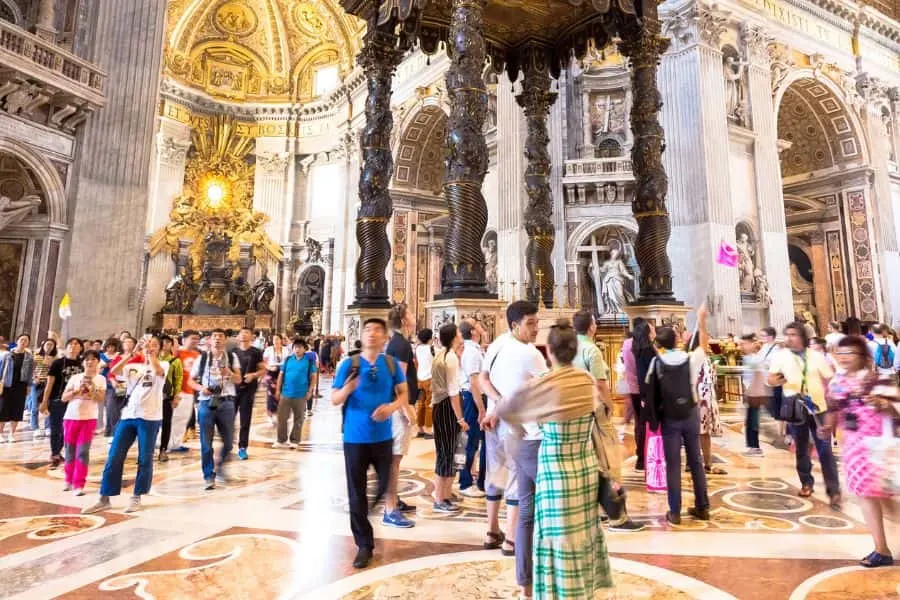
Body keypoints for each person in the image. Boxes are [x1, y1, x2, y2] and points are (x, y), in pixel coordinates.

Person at [495, 319, 614, 599]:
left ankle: (555, 592)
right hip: (584, 470)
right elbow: (602, 418)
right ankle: (582, 591)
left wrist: (519, 428)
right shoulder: (586, 381)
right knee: (582, 534)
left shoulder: (546, 384)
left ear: (548, 351)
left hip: (555, 472)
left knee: (555, 538)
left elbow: (505, 408)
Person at [480, 301, 548, 587]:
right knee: (515, 483)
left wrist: (495, 405)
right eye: (531, 323)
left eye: (537, 322)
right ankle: (509, 538)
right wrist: (504, 406)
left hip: (494, 420)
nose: (536, 328)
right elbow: (545, 393)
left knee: (496, 475)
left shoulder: (497, 342)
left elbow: (483, 379)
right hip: (516, 428)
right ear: (514, 325)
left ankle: (490, 531)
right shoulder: (532, 355)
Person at [331, 318, 408, 568]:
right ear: (361, 336)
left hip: (382, 437)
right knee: (356, 493)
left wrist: (392, 407)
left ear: (385, 337)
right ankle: (364, 544)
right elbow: (334, 398)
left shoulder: (391, 363)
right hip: (355, 438)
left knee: (386, 483)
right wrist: (349, 388)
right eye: (367, 330)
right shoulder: (349, 364)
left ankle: (370, 510)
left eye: (377, 330)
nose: (372, 334)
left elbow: (404, 393)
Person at [826, 335, 898, 568]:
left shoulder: (878, 379)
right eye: (841, 353)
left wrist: (886, 405)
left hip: (880, 447)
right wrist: (828, 427)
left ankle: (883, 548)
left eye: (850, 354)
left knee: (882, 498)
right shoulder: (837, 383)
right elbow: (835, 410)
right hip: (855, 448)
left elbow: (897, 406)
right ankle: (881, 549)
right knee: (869, 496)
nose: (845, 358)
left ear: (863, 356)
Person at [572, 310, 644, 532]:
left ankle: (595, 510)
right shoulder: (591, 349)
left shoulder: (571, 347)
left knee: (590, 462)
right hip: (595, 411)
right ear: (592, 326)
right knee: (610, 462)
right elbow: (601, 384)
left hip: (577, 412)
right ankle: (617, 515)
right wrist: (610, 405)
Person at [83, 334, 169, 514]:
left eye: (154, 345)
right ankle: (104, 497)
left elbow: (159, 372)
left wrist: (151, 355)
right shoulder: (132, 366)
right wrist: (132, 354)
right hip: (129, 415)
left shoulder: (163, 365)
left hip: (150, 417)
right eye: (147, 345)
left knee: (145, 458)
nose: (149, 347)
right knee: (114, 455)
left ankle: (137, 496)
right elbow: (113, 371)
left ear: (159, 349)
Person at [768, 321, 841, 509]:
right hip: (796, 406)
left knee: (825, 450)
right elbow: (771, 379)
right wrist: (782, 379)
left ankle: (834, 491)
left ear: (802, 336)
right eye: (788, 334)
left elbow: (830, 377)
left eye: (793, 334)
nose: (790, 338)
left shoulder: (815, 356)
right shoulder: (781, 356)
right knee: (801, 447)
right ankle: (806, 482)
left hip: (818, 406)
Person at [644, 325, 710, 525]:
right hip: (690, 412)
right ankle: (702, 506)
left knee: (672, 464)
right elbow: (705, 347)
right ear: (676, 340)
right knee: (696, 460)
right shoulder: (689, 358)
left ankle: (675, 511)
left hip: (669, 417)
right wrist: (701, 319)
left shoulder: (656, 362)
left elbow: (649, 389)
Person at [189, 328, 241, 490]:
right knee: (206, 443)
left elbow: (238, 379)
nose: (217, 339)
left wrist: (229, 373)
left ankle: (220, 466)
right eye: (214, 337)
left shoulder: (232, 357)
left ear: (225, 340)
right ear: (210, 340)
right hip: (207, 401)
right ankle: (208, 476)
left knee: (229, 442)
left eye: (220, 336)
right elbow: (191, 381)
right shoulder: (202, 358)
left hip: (226, 402)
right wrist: (201, 388)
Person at [384, 304, 418, 516]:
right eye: (412, 313)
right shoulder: (402, 344)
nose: (415, 317)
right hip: (398, 408)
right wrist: (407, 410)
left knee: (396, 458)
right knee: (394, 460)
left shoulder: (397, 342)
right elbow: (399, 381)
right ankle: (390, 509)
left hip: (396, 406)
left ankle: (394, 499)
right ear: (405, 320)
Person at [430, 323, 468, 513]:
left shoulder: (440, 354)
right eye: (459, 333)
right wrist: (460, 418)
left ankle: (445, 493)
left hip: (439, 404)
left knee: (447, 451)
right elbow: (453, 391)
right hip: (447, 406)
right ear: (454, 337)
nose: (461, 336)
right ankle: (440, 498)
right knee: (446, 452)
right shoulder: (450, 357)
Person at [684, 306, 726, 475]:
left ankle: (697, 462)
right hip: (699, 398)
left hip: (705, 398)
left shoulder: (702, 358)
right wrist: (701, 320)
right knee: (701, 433)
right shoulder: (695, 357)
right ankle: (704, 463)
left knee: (700, 433)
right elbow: (703, 339)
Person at [61, 350, 106, 495]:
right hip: (71, 417)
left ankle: (79, 483)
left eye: (93, 359)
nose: (90, 362)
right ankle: (68, 479)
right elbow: (64, 397)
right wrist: (76, 392)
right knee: (69, 450)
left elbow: (100, 399)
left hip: (89, 419)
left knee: (82, 452)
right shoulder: (75, 378)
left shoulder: (100, 379)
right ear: (83, 362)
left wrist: (92, 389)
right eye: (87, 359)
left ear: (98, 362)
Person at [41, 338, 84, 469]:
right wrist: (44, 401)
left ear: (81, 348)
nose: (73, 346)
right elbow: (50, 383)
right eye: (70, 344)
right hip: (57, 399)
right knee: (56, 429)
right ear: (66, 347)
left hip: (75, 401)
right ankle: (55, 454)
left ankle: (65, 453)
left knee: (69, 429)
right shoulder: (58, 363)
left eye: (76, 344)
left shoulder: (83, 364)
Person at [458, 319, 486, 498]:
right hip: (472, 399)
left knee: (477, 440)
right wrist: (481, 408)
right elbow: (474, 382)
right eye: (479, 326)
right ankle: (465, 481)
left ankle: (477, 478)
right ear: (474, 332)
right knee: (469, 441)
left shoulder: (474, 349)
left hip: (473, 398)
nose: (483, 327)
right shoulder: (472, 352)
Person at [273, 339, 317, 449]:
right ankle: (281, 439)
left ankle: (295, 440)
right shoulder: (288, 360)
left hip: (301, 394)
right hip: (286, 393)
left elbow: (313, 377)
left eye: (300, 347)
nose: (297, 349)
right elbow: (281, 375)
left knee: (299, 419)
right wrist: (278, 390)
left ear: (304, 349)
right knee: (282, 418)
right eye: (295, 347)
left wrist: (310, 391)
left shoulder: (309, 361)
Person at [233, 327, 265, 461]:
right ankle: (227, 443)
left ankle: (242, 447)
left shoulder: (256, 352)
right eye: (242, 333)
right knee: (228, 418)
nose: (244, 335)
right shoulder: (232, 352)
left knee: (245, 420)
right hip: (233, 389)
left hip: (248, 389)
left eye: (247, 333)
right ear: (238, 336)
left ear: (252, 337)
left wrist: (254, 375)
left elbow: (263, 369)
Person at [631, 319, 656, 472]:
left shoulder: (640, 349)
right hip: (650, 394)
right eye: (652, 330)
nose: (655, 332)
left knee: (643, 426)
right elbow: (650, 375)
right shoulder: (648, 351)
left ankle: (643, 457)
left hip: (644, 393)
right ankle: (648, 457)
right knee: (650, 427)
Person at [169, 330, 200, 452]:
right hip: (178, 390)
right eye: (193, 338)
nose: (195, 341)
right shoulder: (177, 353)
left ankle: (177, 443)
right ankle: (166, 443)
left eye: (197, 339)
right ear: (184, 339)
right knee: (174, 418)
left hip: (190, 390)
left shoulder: (197, 355)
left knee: (184, 418)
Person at [105, 336, 143, 436]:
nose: (127, 343)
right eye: (125, 342)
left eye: (130, 342)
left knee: (129, 408)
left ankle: (127, 433)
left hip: (132, 385)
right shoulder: (118, 357)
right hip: (120, 384)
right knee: (115, 409)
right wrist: (113, 381)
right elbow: (111, 373)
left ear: (135, 344)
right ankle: (114, 432)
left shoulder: (139, 357)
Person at [738, 334, 768, 457]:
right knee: (750, 421)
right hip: (752, 394)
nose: (742, 347)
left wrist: (751, 392)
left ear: (751, 344)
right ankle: (752, 446)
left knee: (753, 421)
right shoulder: (749, 358)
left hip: (755, 394)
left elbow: (755, 377)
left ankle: (755, 447)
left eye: (743, 344)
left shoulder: (755, 359)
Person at [0, 333, 34, 442]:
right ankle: (0, 433)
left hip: (21, 386)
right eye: (22, 340)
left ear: (28, 343)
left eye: (26, 340)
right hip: (6, 385)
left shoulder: (29, 357)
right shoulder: (7, 355)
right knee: (3, 410)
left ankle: (11, 434)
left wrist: (29, 385)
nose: (23, 342)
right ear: (17, 341)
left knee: (17, 410)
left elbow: (30, 373)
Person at [157, 336, 183, 463]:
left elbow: (178, 380)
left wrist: (177, 396)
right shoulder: (154, 359)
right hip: (152, 397)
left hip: (166, 396)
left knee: (166, 424)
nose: (164, 344)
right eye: (162, 342)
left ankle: (163, 450)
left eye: (168, 342)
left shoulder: (175, 361)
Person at [29, 339, 57, 440]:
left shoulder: (54, 359)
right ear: (43, 345)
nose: (49, 346)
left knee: (48, 406)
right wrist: (34, 378)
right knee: (35, 406)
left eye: (51, 344)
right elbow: (31, 369)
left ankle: (48, 427)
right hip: (37, 384)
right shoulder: (37, 356)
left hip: (49, 384)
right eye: (47, 344)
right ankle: (35, 427)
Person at [263, 333, 290, 425]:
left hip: (282, 373)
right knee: (271, 394)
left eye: (278, 339)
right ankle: (270, 414)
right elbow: (264, 362)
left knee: (282, 393)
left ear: (281, 340)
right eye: (274, 339)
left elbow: (288, 361)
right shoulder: (268, 349)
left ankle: (280, 413)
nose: (276, 341)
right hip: (271, 372)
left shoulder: (286, 350)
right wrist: (269, 368)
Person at [414, 328, 434, 439]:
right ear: (430, 338)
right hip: (429, 379)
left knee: (420, 404)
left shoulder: (417, 348)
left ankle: (420, 429)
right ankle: (428, 430)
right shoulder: (432, 348)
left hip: (420, 379)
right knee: (429, 405)